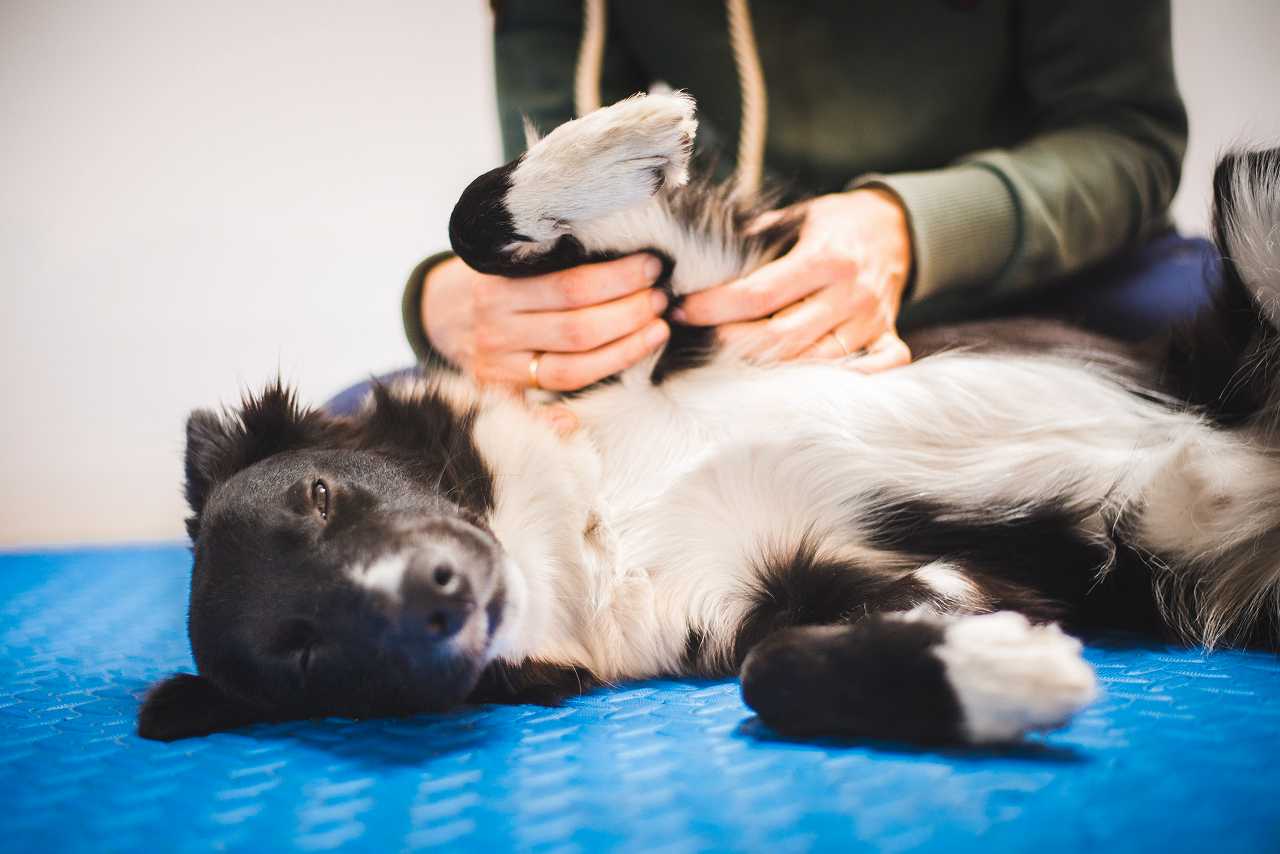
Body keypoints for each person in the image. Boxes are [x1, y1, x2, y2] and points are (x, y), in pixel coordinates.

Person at [396, 0, 1189, 398]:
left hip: (1056, 276)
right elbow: (560, 173)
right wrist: (446, 304)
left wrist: (908, 230)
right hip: (739, 307)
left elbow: (1127, 136)